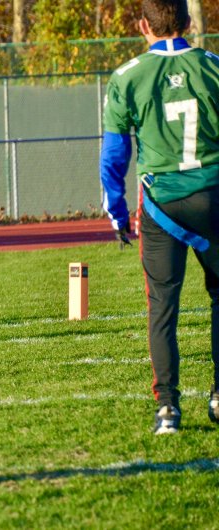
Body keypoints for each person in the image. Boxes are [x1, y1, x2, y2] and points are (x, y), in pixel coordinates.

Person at [101, 0, 219, 434]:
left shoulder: (127, 76)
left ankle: (168, 407)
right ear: (188, 22)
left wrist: (116, 211)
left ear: (142, 25)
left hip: (163, 204)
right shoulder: (214, 66)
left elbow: (115, 155)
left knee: (162, 308)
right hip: (215, 196)